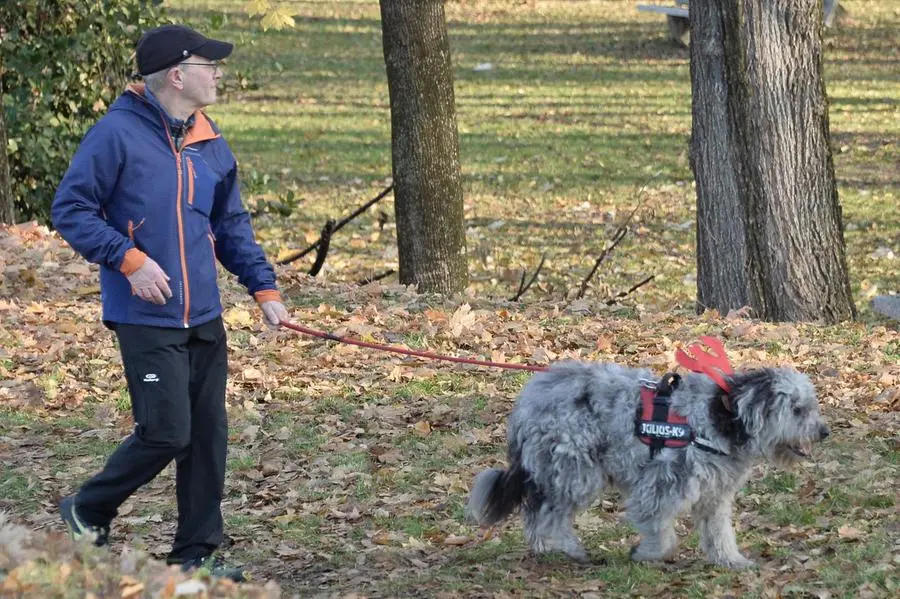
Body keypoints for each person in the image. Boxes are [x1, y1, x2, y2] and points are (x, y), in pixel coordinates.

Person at [51, 24, 289, 582]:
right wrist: (128, 261)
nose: (219, 74)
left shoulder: (209, 139)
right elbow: (72, 209)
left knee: (207, 436)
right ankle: (89, 507)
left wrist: (264, 289)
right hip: (146, 315)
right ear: (178, 75)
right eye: (210, 65)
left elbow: (230, 224)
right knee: (166, 433)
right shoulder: (116, 135)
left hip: (203, 314)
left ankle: (197, 555)